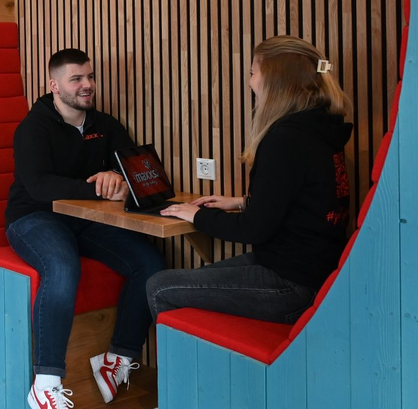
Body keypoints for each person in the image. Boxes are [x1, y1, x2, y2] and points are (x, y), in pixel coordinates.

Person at [147, 36, 353, 325]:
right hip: (317, 272)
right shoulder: (319, 128)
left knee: (160, 287)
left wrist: (198, 215)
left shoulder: (285, 140)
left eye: (252, 73)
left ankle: (192, 369)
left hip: (292, 285)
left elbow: (255, 230)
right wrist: (241, 202)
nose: (250, 82)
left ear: (274, 79)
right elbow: (307, 200)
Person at [7, 49, 165, 408]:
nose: (87, 85)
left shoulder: (106, 125)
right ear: (54, 85)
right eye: (76, 79)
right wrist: (100, 185)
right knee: (62, 268)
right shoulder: (33, 128)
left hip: (88, 220)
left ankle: (117, 359)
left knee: (152, 265)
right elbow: (39, 186)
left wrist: (121, 179)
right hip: (33, 218)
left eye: (90, 77)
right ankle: (45, 384)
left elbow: (138, 171)